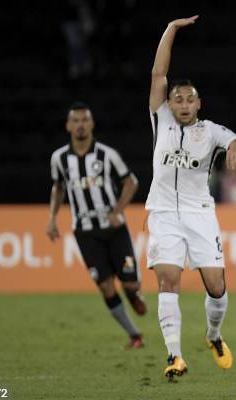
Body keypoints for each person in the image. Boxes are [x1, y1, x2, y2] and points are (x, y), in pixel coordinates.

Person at [147, 15, 236, 379]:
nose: (181, 103)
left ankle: (213, 335)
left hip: (199, 214)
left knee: (216, 286)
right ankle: (174, 356)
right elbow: (158, 76)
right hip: (162, 212)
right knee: (168, 281)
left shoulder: (210, 132)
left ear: (198, 104)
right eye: (177, 99)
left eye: (188, 99)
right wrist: (171, 30)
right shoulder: (159, 117)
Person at [47, 102, 146, 349]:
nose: (80, 125)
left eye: (84, 120)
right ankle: (134, 335)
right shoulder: (59, 158)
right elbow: (58, 187)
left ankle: (133, 294)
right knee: (105, 287)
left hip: (115, 230)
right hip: (85, 232)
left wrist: (117, 211)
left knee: (130, 285)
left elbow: (131, 182)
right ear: (68, 125)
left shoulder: (106, 155)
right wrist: (52, 218)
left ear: (91, 124)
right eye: (76, 120)